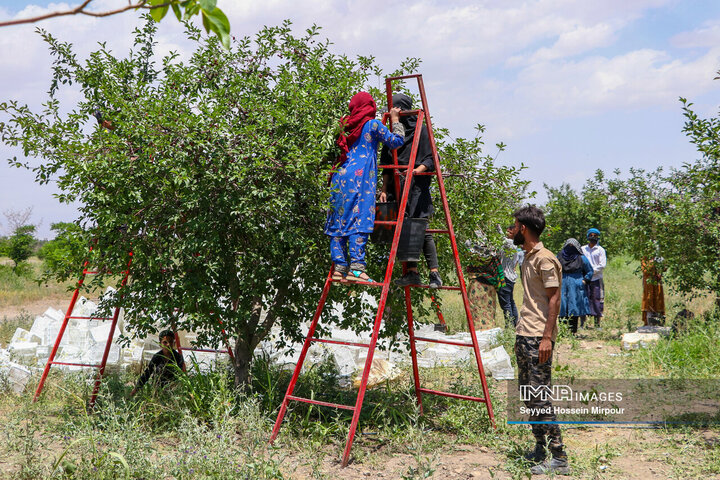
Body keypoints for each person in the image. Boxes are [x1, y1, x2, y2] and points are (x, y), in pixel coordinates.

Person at [511, 205, 569, 475]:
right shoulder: (528, 256)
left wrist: (547, 338)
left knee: (540, 396)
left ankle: (559, 456)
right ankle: (540, 447)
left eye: (514, 225)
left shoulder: (545, 259)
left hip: (538, 337)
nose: (512, 229)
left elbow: (554, 298)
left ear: (524, 228)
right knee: (528, 394)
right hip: (525, 332)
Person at [325, 92, 404, 283]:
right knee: (359, 219)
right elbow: (396, 142)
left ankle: (339, 269)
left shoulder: (343, 126)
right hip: (360, 179)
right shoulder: (372, 124)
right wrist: (395, 120)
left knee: (339, 221)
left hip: (339, 178)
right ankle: (357, 270)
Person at [379, 93, 443, 289]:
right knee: (403, 226)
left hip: (415, 186)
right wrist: (383, 188)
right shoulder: (393, 133)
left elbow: (430, 158)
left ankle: (434, 274)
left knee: (420, 228)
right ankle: (412, 272)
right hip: (396, 188)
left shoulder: (421, 131)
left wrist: (416, 171)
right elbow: (386, 162)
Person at [130, 329, 185, 397]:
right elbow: (148, 373)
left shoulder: (178, 357)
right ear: (160, 344)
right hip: (157, 390)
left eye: (170, 342)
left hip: (172, 392)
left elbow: (180, 376)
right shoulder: (157, 357)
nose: (168, 345)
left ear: (173, 343)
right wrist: (136, 389)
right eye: (165, 342)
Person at [557, 238, 593, 334]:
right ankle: (563, 331)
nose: (570, 248)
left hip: (576, 285)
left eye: (573, 247)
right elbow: (555, 269)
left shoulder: (581, 258)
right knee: (563, 306)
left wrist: (584, 280)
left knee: (574, 306)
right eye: (569, 246)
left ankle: (573, 331)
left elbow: (590, 270)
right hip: (562, 284)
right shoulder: (560, 257)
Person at [466, 242, 505, 328]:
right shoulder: (493, 253)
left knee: (476, 311)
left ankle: (478, 330)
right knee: (488, 311)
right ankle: (488, 329)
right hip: (490, 286)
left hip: (476, 286)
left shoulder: (473, 252)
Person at [497, 225, 522, 326]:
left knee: (506, 303)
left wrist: (497, 227)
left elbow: (502, 238)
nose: (507, 234)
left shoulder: (511, 244)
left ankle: (510, 326)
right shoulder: (513, 245)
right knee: (510, 301)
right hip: (510, 277)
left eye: (509, 232)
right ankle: (515, 324)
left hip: (506, 277)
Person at [581, 228, 606, 328]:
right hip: (585, 279)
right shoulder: (583, 249)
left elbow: (602, 265)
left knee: (597, 300)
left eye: (595, 236)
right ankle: (582, 324)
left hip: (596, 279)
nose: (593, 237)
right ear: (588, 236)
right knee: (583, 299)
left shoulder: (600, 250)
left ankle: (597, 324)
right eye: (591, 235)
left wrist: (591, 271)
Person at [641, 257, 665, 325]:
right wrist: (652, 262)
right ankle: (648, 321)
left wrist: (662, 263)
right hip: (649, 283)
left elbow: (664, 268)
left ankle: (659, 320)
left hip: (657, 283)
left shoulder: (658, 255)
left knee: (659, 299)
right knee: (648, 298)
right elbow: (645, 270)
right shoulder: (645, 257)